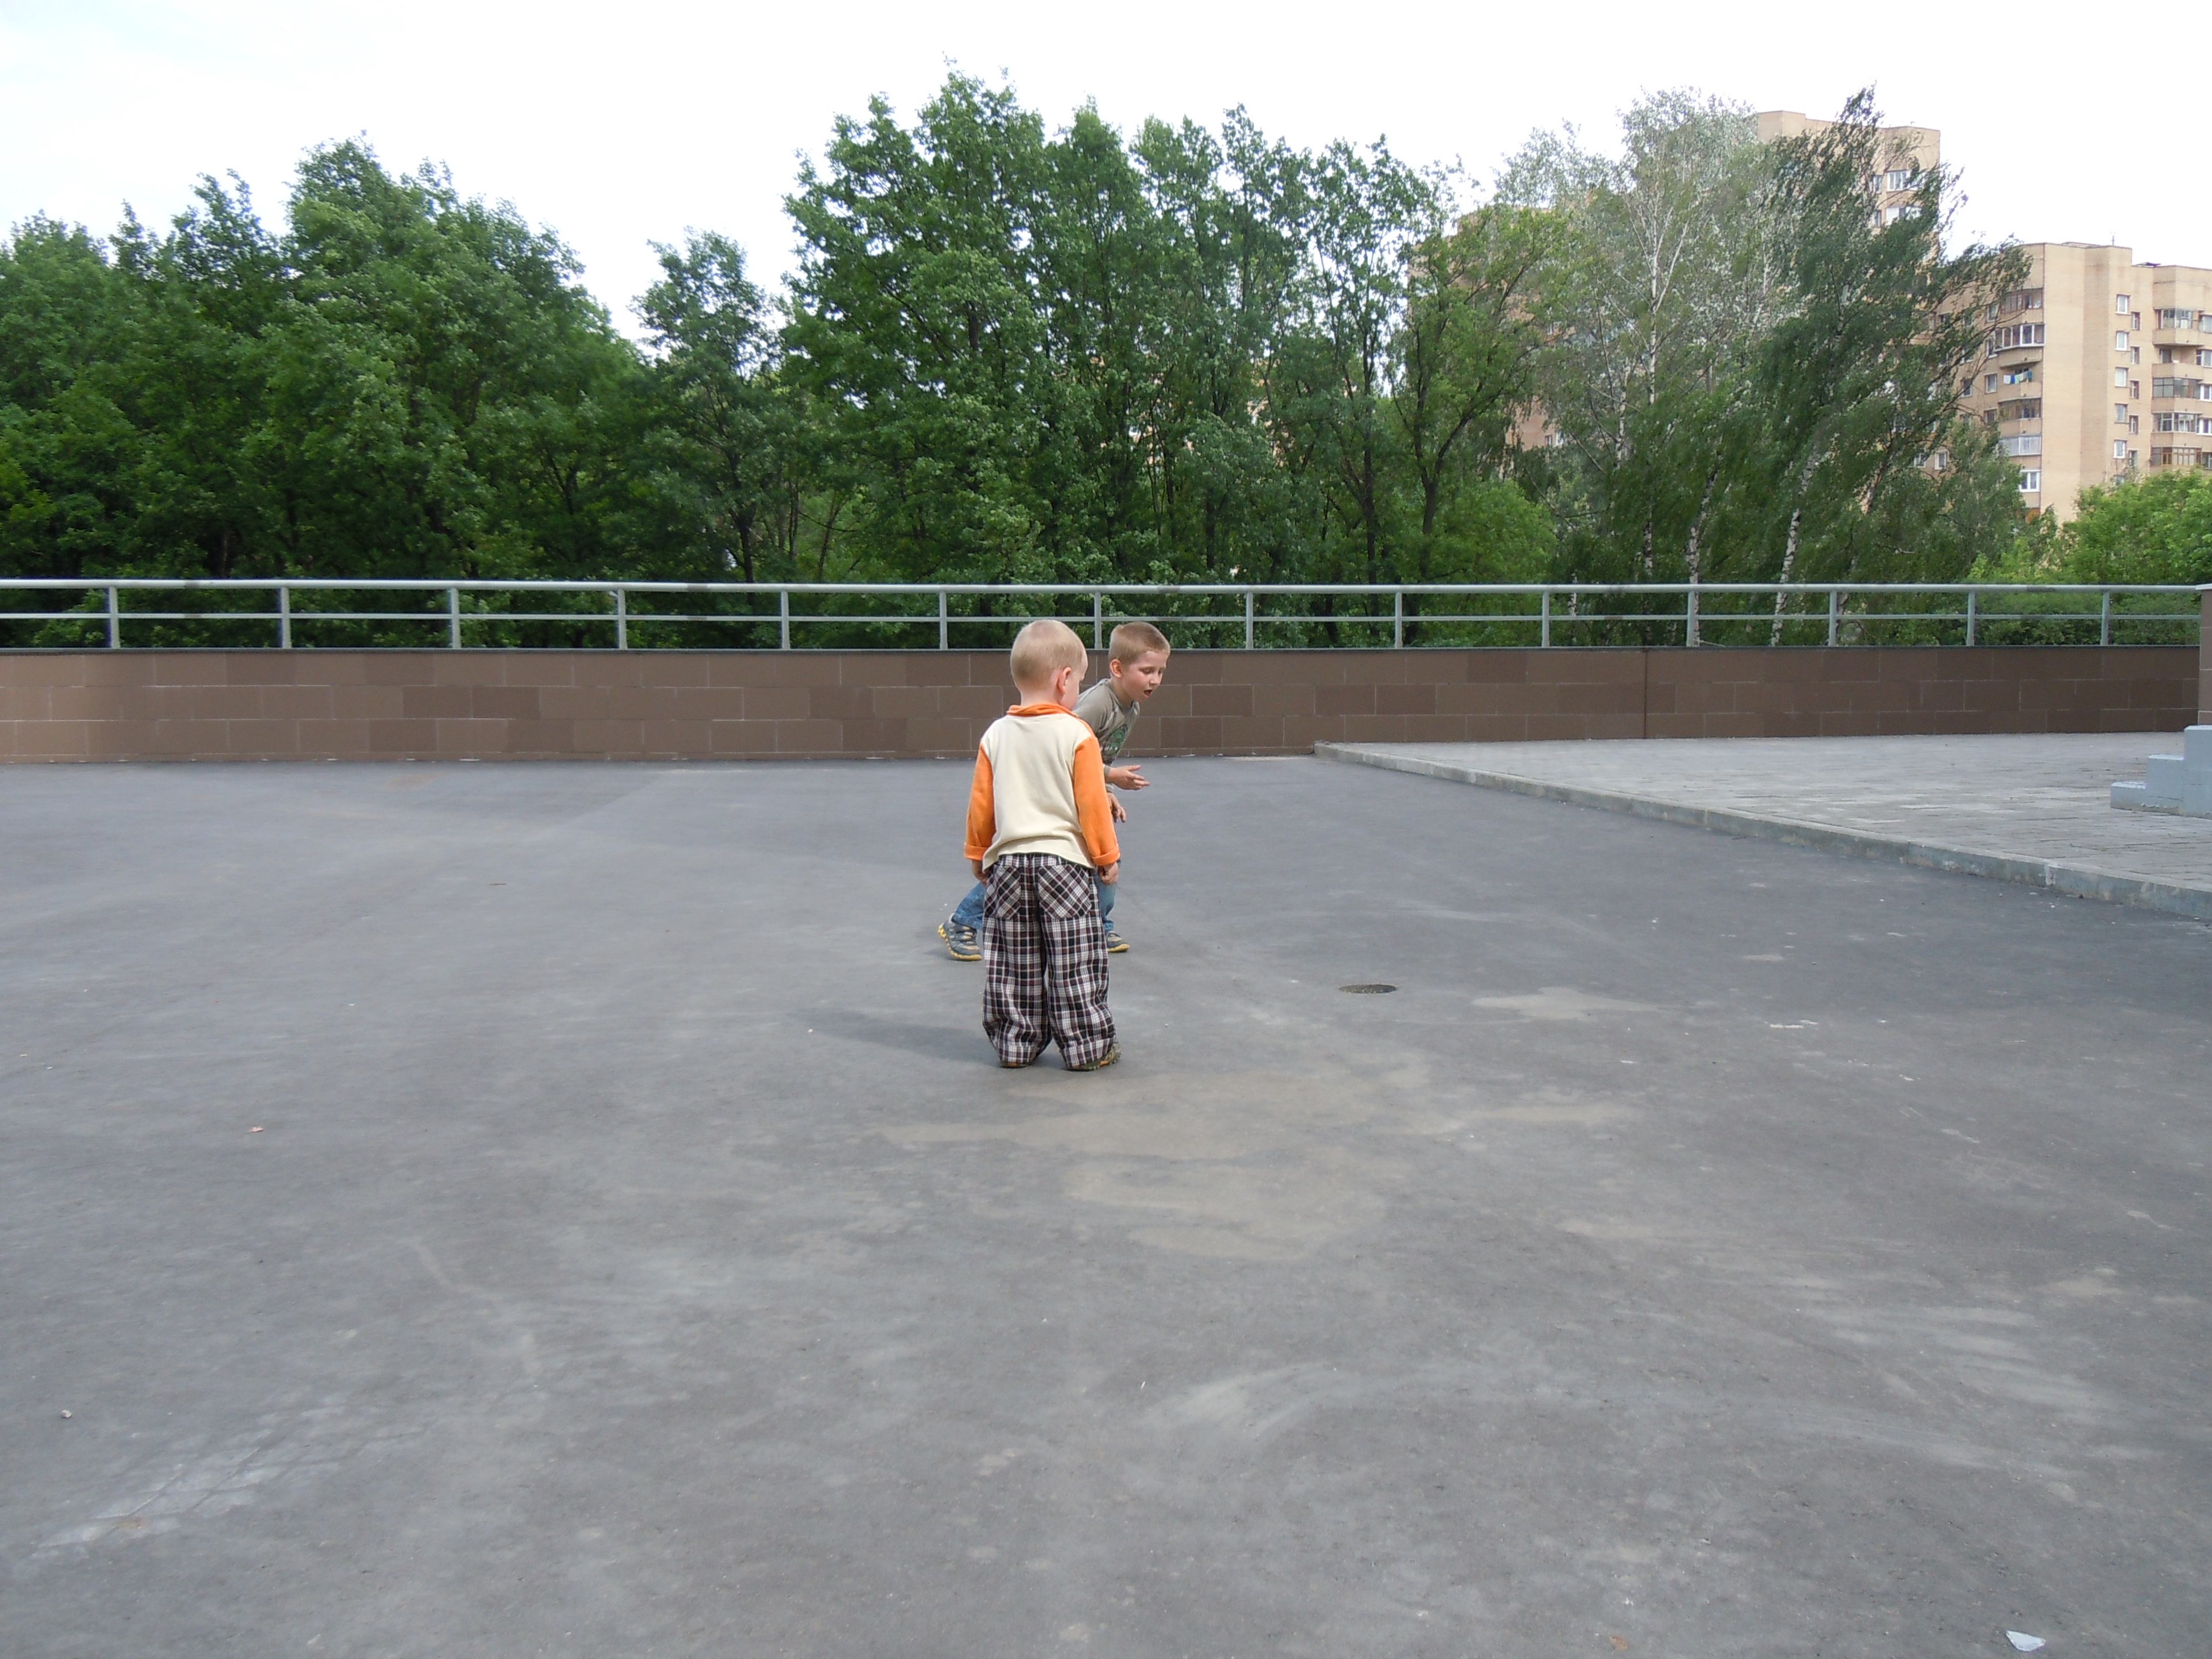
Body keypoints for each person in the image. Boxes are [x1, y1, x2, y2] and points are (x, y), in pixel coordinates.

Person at [940, 621, 1171, 960]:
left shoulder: (1130, 707)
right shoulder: (1095, 706)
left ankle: (1098, 924)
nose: (1156, 680)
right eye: (1148, 671)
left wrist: (1105, 788)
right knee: (1047, 860)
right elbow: (1066, 747)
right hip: (1057, 793)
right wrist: (1110, 780)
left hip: (1073, 788)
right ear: (1117, 669)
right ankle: (964, 919)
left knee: (1019, 865)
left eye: (1161, 672)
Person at [963, 620, 1121, 1071]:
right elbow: (1091, 804)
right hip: (1065, 866)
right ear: (1064, 679)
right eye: (1081, 681)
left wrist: (978, 853)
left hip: (1009, 866)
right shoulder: (1076, 734)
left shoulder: (996, 734)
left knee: (1014, 962)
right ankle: (1088, 1047)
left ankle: (1016, 1045)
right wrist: (1107, 857)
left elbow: (981, 803)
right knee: (1074, 958)